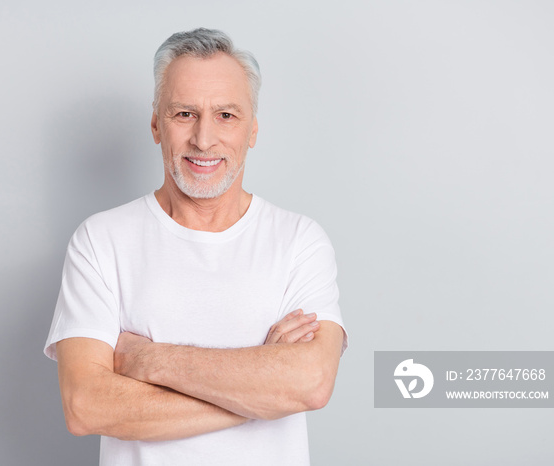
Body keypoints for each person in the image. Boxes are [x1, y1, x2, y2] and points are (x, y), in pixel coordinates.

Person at [44, 28, 348, 465]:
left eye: (226, 115)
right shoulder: (101, 240)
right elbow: (85, 406)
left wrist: (149, 360)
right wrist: (260, 392)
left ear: (253, 131)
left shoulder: (299, 241)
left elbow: (311, 383)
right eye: (184, 114)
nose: (204, 139)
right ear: (155, 125)